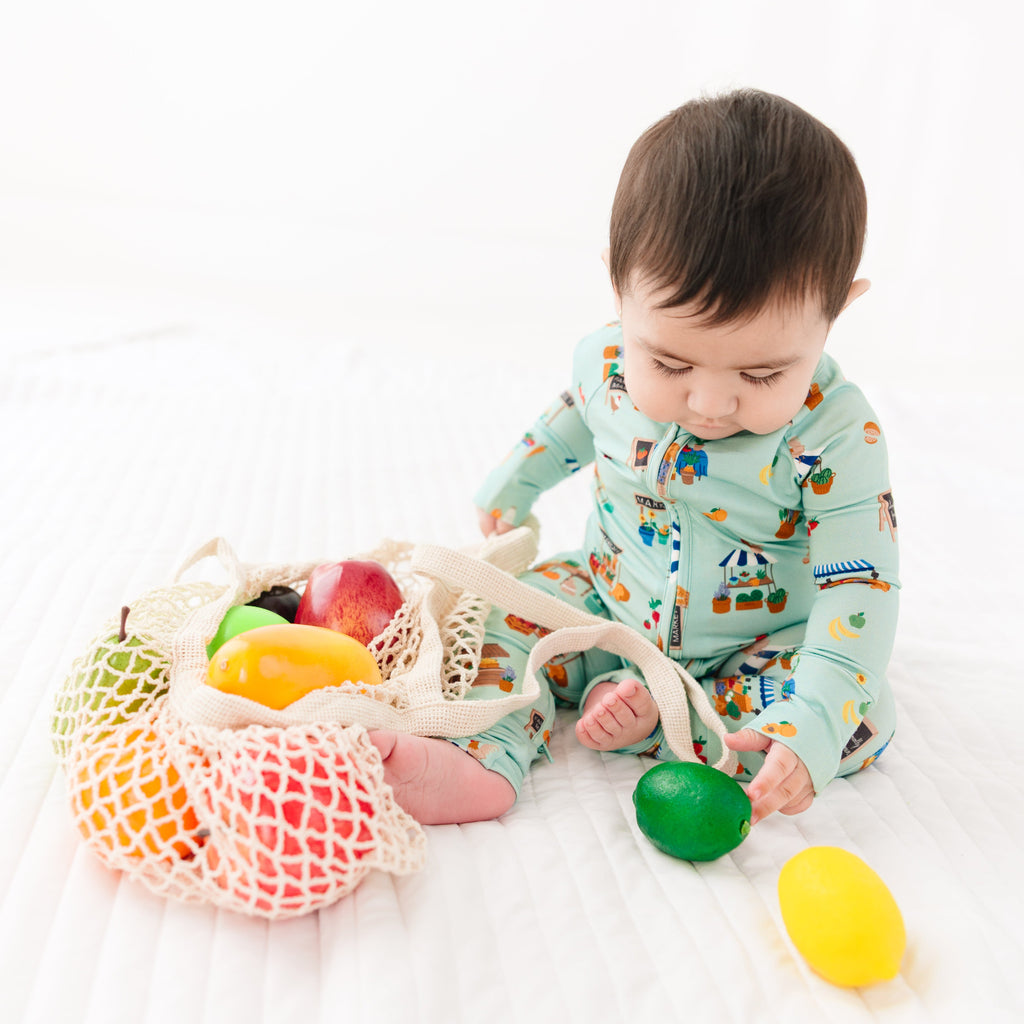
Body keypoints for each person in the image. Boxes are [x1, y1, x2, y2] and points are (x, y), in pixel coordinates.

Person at [370, 89, 899, 828]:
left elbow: (860, 586)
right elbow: (572, 419)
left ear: (837, 310)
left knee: (861, 718)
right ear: (618, 286)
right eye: (671, 363)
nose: (709, 404)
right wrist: (514, 484)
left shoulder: (837, 436)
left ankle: (660, 713)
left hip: (757, 648)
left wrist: (814, 717)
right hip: (603, 596)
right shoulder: (607, 361)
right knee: (495, 613)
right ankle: (481, 757)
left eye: (761, 375)